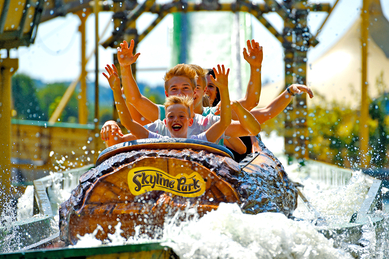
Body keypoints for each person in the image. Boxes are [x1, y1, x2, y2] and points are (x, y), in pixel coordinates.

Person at [103, 64, 261, 144]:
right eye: (171, 116)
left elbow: (225, 121)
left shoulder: (204, 130)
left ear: (191, 120)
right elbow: (128, 122)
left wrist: (224, 90)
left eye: (181, 116)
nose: (176, 120)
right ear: (165, 120)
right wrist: (117, 90)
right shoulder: (159, 133)